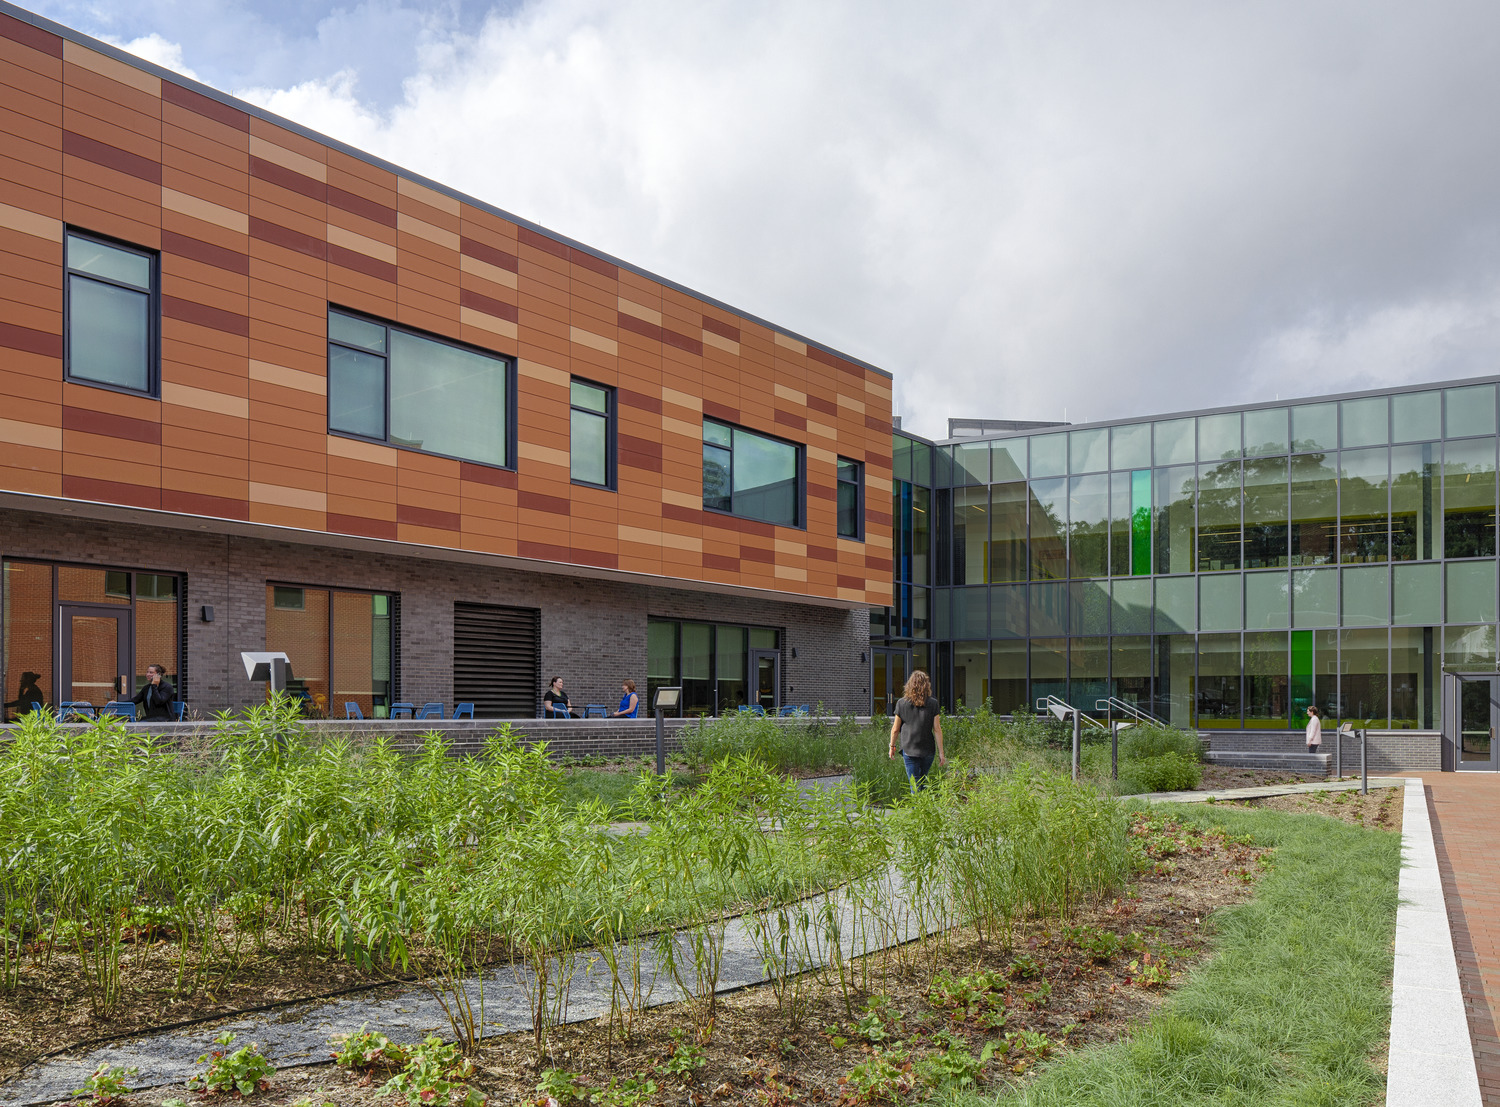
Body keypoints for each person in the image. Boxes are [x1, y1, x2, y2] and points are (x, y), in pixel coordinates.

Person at [888, 670, 946, 792]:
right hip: (928, 749)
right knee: (923, 783)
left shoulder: (901, 703)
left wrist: (892, 746)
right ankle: (923, 804)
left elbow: (895, 729)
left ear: (909, 685)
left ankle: (916, 804)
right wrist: (941, 753)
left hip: (909, 749)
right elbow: (937, 729)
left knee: (914, 784)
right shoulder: (933, 703)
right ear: (926, 685)